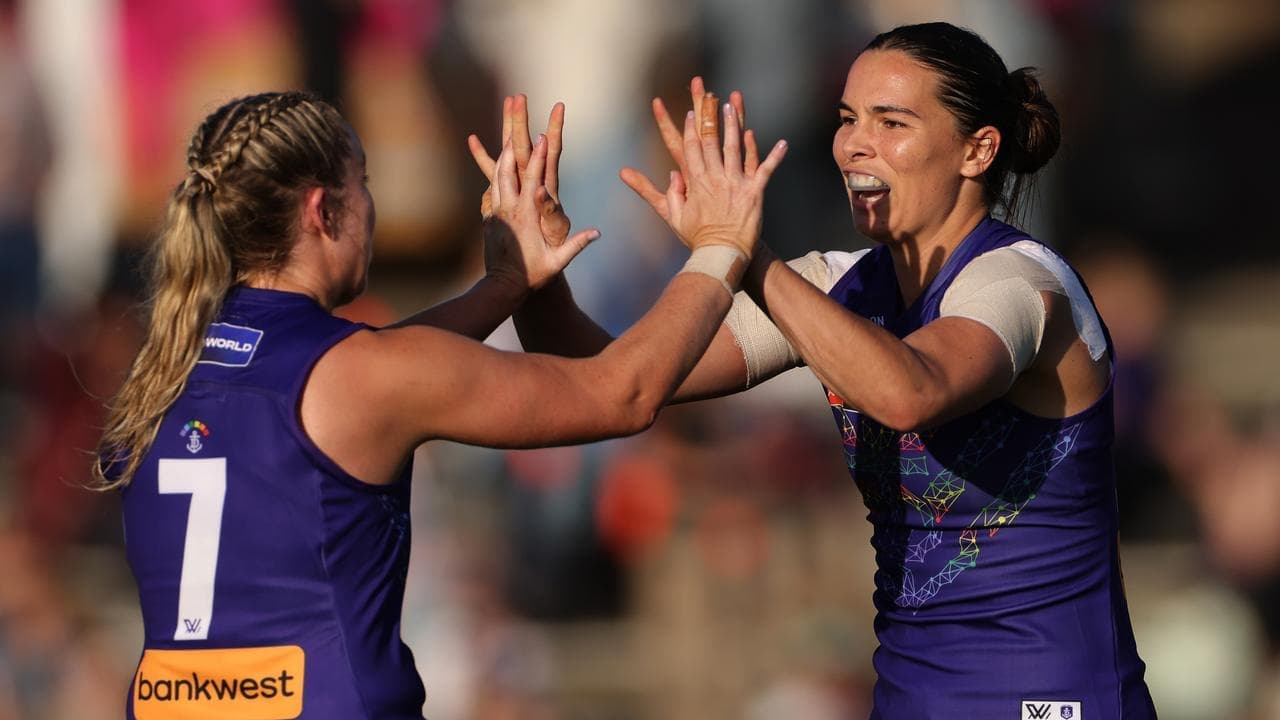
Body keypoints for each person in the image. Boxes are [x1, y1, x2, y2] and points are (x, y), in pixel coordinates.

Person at [477, 22, 1157, 720]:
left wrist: (747, 255)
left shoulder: (1019, 282)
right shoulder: (835, 287)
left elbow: (910, 391)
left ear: (978, 149)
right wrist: (529, 278)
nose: (854, 143)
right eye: (846, 119)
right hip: (912, 698)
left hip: (1053, 700)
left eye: (891, 122)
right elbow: (613, 380)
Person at [93, 90, 786, 719]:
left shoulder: (161, 376)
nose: (372, 207)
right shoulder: (361, 377)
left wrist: (507, 286)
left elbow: (378, 375)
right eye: (363, 182)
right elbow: (624, 394)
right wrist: (721, 245)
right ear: (321, 210)